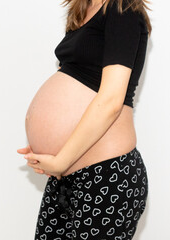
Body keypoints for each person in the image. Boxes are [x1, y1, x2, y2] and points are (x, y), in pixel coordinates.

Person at [17, 0, 152, 239]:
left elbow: (111, 100)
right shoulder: (81, 11)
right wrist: (51, 147)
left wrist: (60, 159)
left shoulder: (123, 11)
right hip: (67, 176)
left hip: (108, 177)